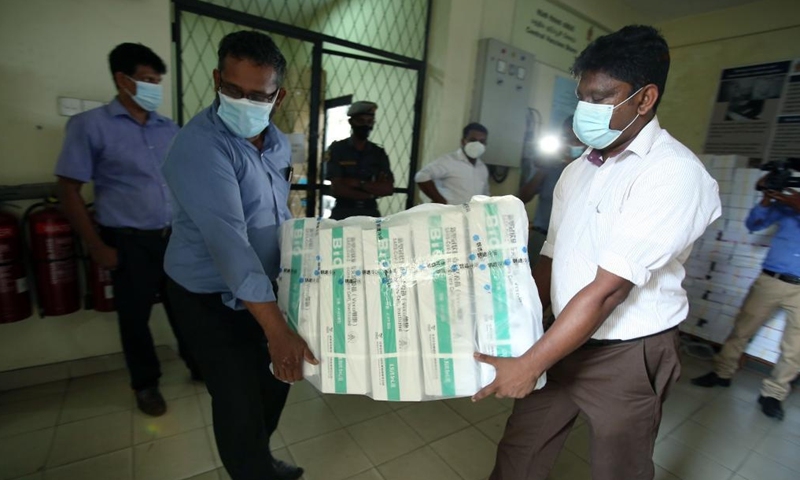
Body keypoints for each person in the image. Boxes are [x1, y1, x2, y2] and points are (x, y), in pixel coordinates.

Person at [471, 25, 721, 480]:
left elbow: (609, 292)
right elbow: (550, 256)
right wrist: (521, 320)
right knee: (520, 452)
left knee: (618, 468)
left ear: (645, 99)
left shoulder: (673, 174)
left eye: (603, 98)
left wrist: (530, 364)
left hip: (628, 352)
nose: (587, 111)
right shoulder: (577, 170)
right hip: (562, 337)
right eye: (583, 96)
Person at [161, 31, 316, 480]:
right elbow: (229, 244)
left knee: (275, 383)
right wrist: (277, 329)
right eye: (231, 90)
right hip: (206, 295)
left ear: (278, 95)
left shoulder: (280, 143)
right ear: (216, 79)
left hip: (262, 290)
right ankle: (252, 470)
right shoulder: (199, 148)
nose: (243, 102)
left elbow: (277, 213)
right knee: (237, 401)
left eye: (257, 95)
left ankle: (260, 459)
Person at [54, 43, 199, 417]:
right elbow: (68, 190)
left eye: (158, 81)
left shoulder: (170, 129)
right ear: (123, 80)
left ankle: (199, 366)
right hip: (127, 242)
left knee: (187, 308)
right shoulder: (90, 126)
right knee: (134, 318)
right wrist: (96, 246)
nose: (155, 88)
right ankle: (146, 384)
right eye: (148, 80)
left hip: (174, 241)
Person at [691, 186, 800, 420]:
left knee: (795, 347)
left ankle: (773, 395)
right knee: (741, 330)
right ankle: (722, 374)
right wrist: (767, 199)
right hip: (771, 280)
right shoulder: (787, 206)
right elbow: (754, 224)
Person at [518, 115, 585, 265]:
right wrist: (544, 168)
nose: (571, 143)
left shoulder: (593, 170)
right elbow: (523, 197)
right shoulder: (551, 167)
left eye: (577, 139)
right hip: (542, 237)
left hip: (573, 244)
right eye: (567, 137)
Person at [323, 101, 394, 219]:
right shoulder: (337, 149)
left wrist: (358, 183)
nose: (365, 126)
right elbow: (338, 189)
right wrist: (372, 191)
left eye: (369, 122)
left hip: (370, 212)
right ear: (351, 122)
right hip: (343, 211)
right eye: (361, 121)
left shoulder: (378, 153)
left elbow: (388, 188)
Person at [414, 122, 490, 204]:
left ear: (485, 144)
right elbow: (421, 176)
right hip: (449, 214)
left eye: (482, 141)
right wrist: (440, 200)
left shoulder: (482, 168)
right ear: (463, 141)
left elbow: (485, 195)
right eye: (473, 140)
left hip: (472, 214)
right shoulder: (449, 161)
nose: (477, 144)